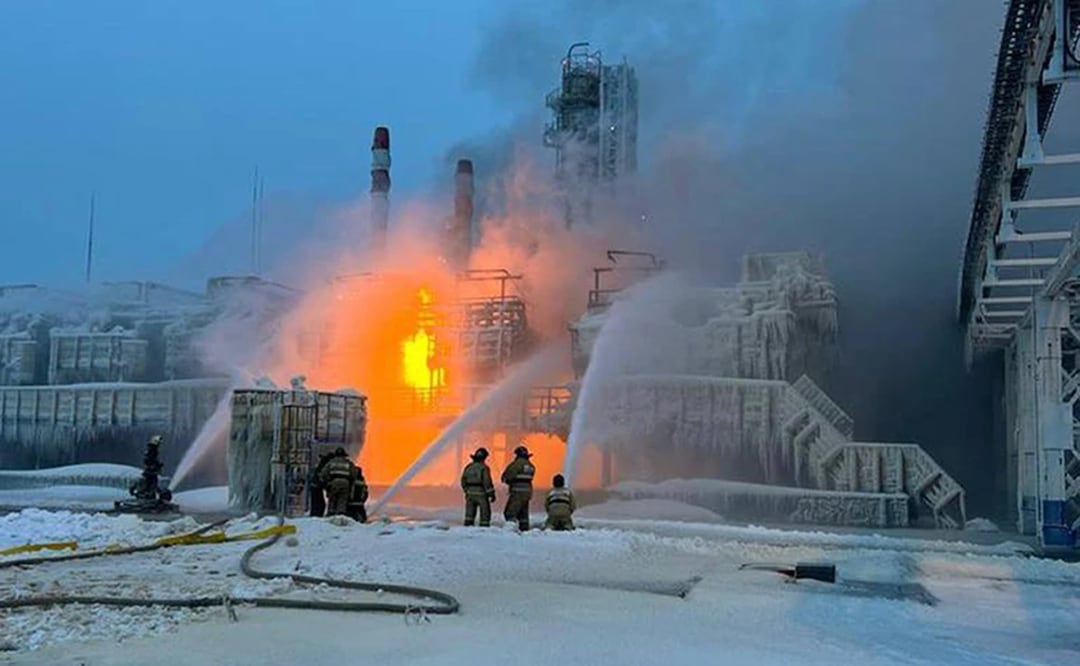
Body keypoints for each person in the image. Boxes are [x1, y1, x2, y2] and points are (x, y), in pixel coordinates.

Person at [500, 445, 536, 531]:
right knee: (523, 513)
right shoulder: (531, 466)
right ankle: (524, 529)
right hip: (528, 492)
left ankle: (510, 529)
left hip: (517, 492)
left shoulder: (516, 464)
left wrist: (507, 481)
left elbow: (507, 476)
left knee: (510, 512)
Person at [460, 447, 495, 527]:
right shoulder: (484, 468)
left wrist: (467, 490)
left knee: (469, 513)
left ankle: (467, 528)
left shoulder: (468, 467)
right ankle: (484, 529)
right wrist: (491, 494)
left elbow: (463, 480)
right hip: (481, 493)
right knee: (485, 512)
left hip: (470, 493)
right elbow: (487, 482)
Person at [318, 447, 356, 516]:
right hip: (345, 483)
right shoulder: (348, 463)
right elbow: (354, 474)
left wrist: (327, 482)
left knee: (332, 499)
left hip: (334, 482)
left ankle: (331, 514)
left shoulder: (331, 462)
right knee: (342, 500)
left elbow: (323, 473)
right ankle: (340, 515)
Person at [308, 450, 335, 517]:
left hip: (315, 485)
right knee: (319, 504)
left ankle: (315, 515)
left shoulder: (323, 463)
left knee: (317, 503)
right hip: (317, 486)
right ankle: (316, 516)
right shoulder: (326, 465)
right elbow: (324, 478)